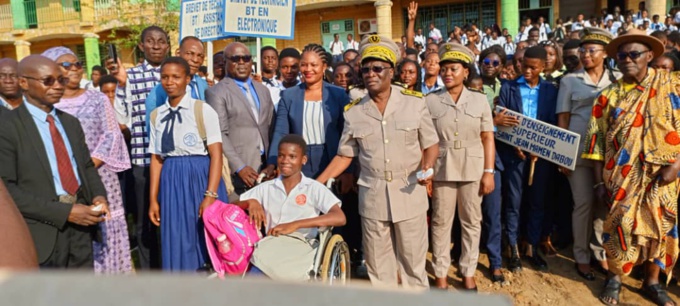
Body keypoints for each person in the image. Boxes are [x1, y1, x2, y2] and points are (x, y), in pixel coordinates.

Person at [316, 35, 439, 289]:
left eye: (377, 68)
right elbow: (345, 154)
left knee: (413, 266)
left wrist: (427, 167)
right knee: (378, 268)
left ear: (391, 71)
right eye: (365, 68)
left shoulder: (415, 103)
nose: (370, 73)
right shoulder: (355, 111)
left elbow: (431, 144)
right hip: (373, 199)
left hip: (409, 193)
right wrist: (316, 184)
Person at [583, 29, 679, 306]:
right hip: (621, 177)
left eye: (634, 54)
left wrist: (677, 165)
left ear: (650, 55)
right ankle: (614, 278)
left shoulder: (672, 85)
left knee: (661, 231)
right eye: (621, 56)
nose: (627, 60)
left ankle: (652, 282)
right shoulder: (607, 96)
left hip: (664, 177)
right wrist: (599, 182)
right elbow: (595, 143)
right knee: (620, 228)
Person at [0, 55, 110, 268]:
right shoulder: (8, 127)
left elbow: (86, 167)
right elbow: (8, 190)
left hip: (80, 230)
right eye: (48, 80)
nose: (58, 86)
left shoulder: (70, 123)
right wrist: (65, 213)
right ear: (24, 83)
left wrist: (98, 196)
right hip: (41, 232)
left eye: (62, 79)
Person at [42, 47, 132, 274]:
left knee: (105, 222)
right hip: (63, 179)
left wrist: (88, 165)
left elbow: (111, 134)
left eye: (77, 64)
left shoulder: (98, 98)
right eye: (66, 65)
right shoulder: (48, 103)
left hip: (99, 175)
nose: (74, 69)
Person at [147, 57, 228, 272]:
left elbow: (216, 155)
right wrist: (153, 199)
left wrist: (210, 194)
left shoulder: (202, 111)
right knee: (177, 235)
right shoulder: (157, 115)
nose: (169, 82)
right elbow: (156, 159)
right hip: (172, 181)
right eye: (165, 77)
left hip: (201, 178)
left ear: (188, 79)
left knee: (205, 235)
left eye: (176, 77)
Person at [426, 44, 495, 290]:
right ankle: (441, 274)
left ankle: (467, 272)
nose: (447, 73)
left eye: (453, 69)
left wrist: (489, 172)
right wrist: (427, 173)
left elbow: (488, 137)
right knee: (441, 222)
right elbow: (425, 140)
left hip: (472, 169)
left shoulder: (479, 100)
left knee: (471, 221)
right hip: (442, 168)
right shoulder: (431, 101)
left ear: (466, 72)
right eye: (443, 69)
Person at [556, 28, 620, 281]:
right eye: (582, 50)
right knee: (583, 203)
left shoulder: (617, 78)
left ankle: (599, 253)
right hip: (579, 152)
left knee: (602, 207)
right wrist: (563, 156)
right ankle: (581, 256)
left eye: (591, 50)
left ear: (605, 53)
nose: (585, 55)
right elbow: (563, 118)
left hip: (610, 154)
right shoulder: (569, 80)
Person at [235, 135, 346, 275]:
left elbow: (339, 217)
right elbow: (232, 207)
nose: (285, 161)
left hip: (302, 244)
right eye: (281, 156)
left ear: (303, 160)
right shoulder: (267, 187)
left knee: (283, 273)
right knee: (257, 269)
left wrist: (296, 224)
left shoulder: (313, 188)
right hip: (271, 242)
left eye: (292, 156)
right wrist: (250, 202)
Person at [111, 25, 169, 269]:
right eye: (150, 41)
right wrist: (123, 87)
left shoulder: (175, 73)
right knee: (146, 221)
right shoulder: (130, 77)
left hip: (174, 163)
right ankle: (149, 272)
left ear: (168, 45)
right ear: (141, 46)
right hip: (144, 161)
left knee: (170, 220)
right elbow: (121, 117)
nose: (156, 45)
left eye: (161, 41)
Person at [498, 46, 559, 272]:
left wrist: (540, 148)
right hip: (514, 155)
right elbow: (503, 121)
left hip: (540, 158)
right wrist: (516, 144)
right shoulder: (509, 88)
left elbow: (553, 124)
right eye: (524, 66)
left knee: (537, 202)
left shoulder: (551, 91)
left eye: (533, 67)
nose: (528, 71)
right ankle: (513, 247)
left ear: (544, 67)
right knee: (513, 202)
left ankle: (531, 246)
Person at [265, 43, 351, 180]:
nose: (308, 69)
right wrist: (272, 163)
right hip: (299, 160)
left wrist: (349, 171)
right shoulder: (288, 96)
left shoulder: (338, 95)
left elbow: (348, 136)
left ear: (324, 67)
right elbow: (281, 133)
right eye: (304, 65)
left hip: (332, 160)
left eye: (313, 65)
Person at [206, 42, 275, 198]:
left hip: (266, 169)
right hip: (240, 173)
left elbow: (272, 128)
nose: (242, 63)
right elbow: (220, 134)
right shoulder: (216, 92)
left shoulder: (263, 90)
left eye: (246, 58)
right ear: (225, 62)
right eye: (236, 59)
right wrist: (239, 167)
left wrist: (273, 162)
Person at [478, 45, 512, 284]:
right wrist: (493, 120)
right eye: (486, 62)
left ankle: (495, 262)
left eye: (495, 63)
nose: (489, 66)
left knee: (493, 213)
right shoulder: (471, 85)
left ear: (502, 66)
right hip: (470, 155)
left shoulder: (507, 88)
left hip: (495, 158)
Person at [144, 36, 209, 130]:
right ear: (178, 53)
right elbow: (153, 127)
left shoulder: (204, 85)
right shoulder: (160, 91)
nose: (195, 60)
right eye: (190, 53)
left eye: (200, 56)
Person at [260, 46, 284, 110]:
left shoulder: (281, 84)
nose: (270, 60)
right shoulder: (254, 82)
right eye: (266, 58)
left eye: (273, 58)